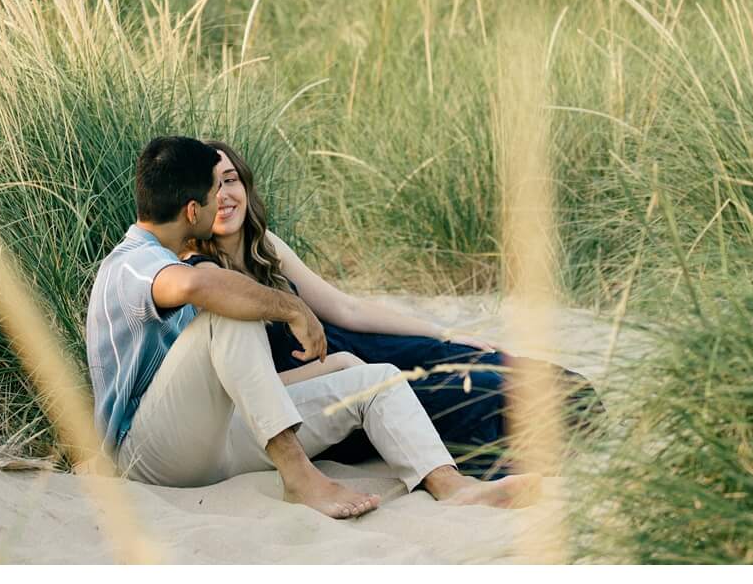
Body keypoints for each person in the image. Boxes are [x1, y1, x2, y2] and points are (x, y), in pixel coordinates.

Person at [85, 137, 540, 514]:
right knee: (227, 313)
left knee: (375, 380)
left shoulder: (194, 255)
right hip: (148, 456)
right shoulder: (133, 264)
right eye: (210, 194)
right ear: (191, 211)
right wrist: (292, 308)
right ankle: (301, 478)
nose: (218, 201)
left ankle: (451, 486)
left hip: (223, 440)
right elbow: (194, 286)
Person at [188, 139, 603, 476]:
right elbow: (244, 386)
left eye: (231, 180)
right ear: (193, 203)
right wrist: (337, 367)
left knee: (489, 363)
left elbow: (345, 309)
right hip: (337, 385)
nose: (224, 195)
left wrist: (438, 332)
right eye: (212, 187)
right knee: (474, 397)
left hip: (359, 347)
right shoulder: (202, 276)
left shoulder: (266, 246)